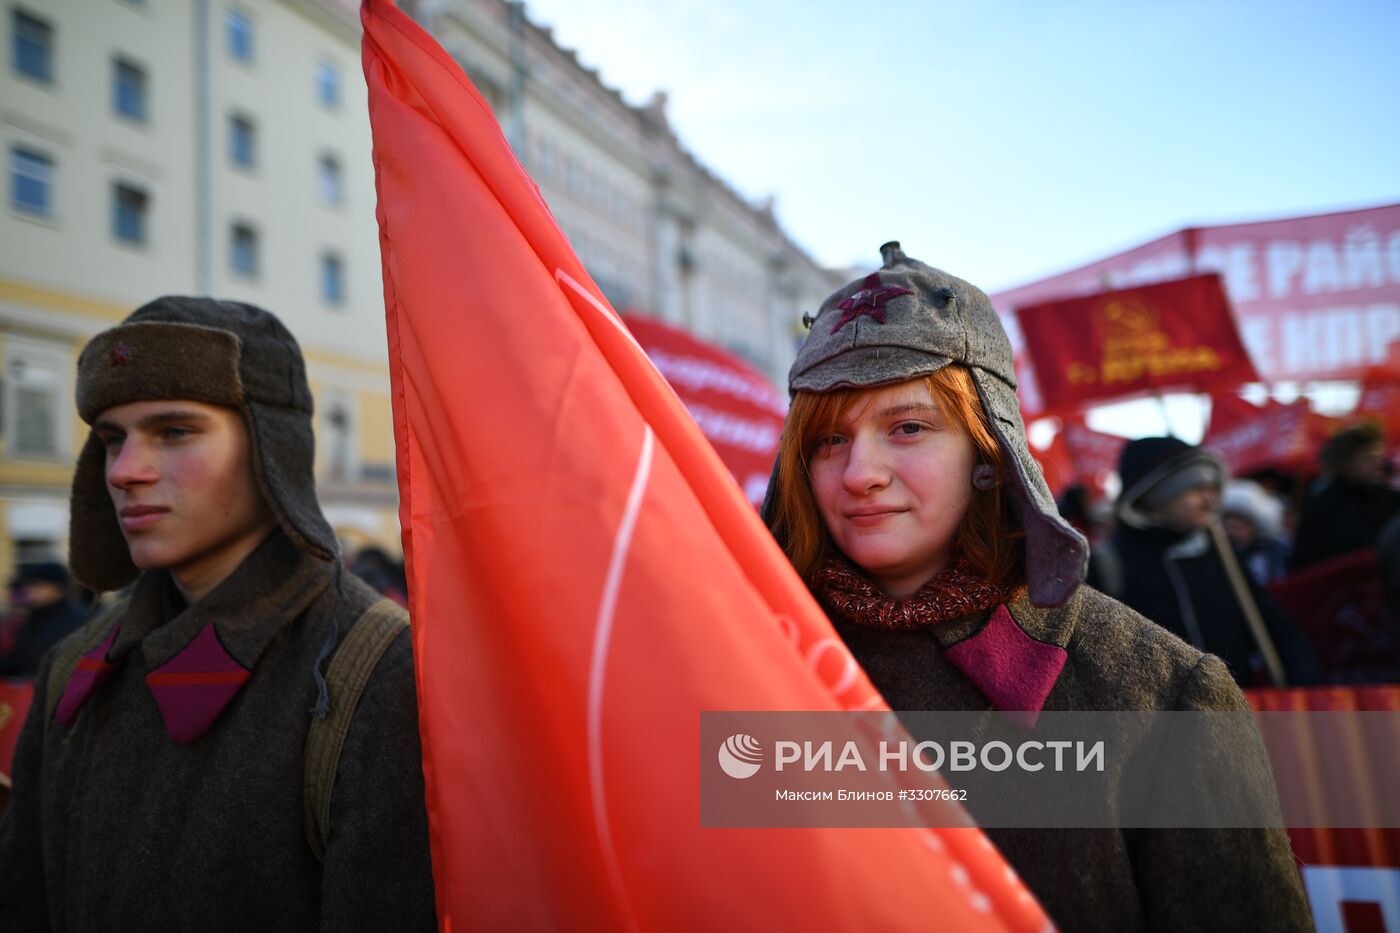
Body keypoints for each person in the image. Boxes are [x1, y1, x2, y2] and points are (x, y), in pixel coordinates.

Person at [762, 244, 1312, 932]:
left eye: (908, 427)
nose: (859, 472)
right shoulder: (747, 661)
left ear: (990, 453)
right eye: (828, 441)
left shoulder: (1162, 693)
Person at [0, 297, 436, 931]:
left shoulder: (380, 680)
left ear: (272, 450)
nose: (124, 471)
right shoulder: (72, 669)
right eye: (111, 438)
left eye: (174, 431)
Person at [1109, 437, 1321, 688]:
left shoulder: (1222, 550)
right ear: (1153, 495)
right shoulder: (1110, 563)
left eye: (1212, 489)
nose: (1211, 501)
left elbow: (1275, 627)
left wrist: (1305, 684)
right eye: (1195, 489)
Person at [1291, 423, 1400, 570]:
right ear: (1345, 463)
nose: (1378, 463)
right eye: (1368, 458)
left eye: (1379, 456)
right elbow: (1305, 564)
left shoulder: (1393, 499)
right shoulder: (1322, 508)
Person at [0, 562, 86, 679]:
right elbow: (16, 658)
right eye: (29, 585)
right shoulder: (32, 618)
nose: (31, 590)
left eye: (39, 585)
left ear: (58, 588)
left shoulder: (77, 620)